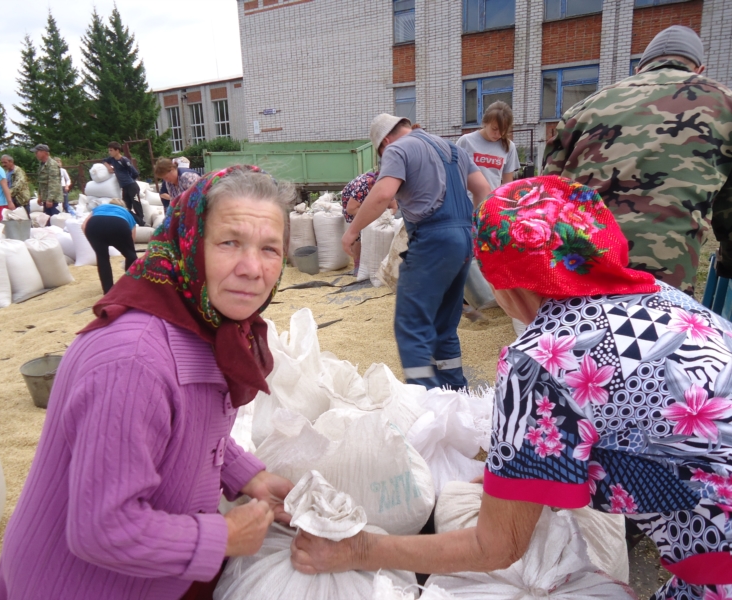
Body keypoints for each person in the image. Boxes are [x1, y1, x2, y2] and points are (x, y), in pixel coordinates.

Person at [293, 176, 732, 600]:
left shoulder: (539, 361)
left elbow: (497, 546)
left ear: (506, 280)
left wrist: (359, 549)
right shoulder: (664, 297)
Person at [0, 165, 296, 600]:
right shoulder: (132, 361)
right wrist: (223, 536)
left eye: (269, 248)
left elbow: (184, 431)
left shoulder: (202, 320)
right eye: (230, 242)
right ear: (189, 244)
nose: (253, 268)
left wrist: (249, 477)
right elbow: (103, 529)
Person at [542, 25, 732, 297]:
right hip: (664, 274)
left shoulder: (584, 108)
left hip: (580, 266)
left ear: (638, 69)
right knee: (652, 339)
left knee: (580, 337)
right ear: (699, 69)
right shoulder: (724, 104)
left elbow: (547, 193)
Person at [341, 114, 490, 390]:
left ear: (385, 142)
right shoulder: (453, 148)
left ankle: (426, 399)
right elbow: (483, 189)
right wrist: (474, 231)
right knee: (444, 327)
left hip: (433, 241)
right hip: (463, 241)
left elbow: (384, 193)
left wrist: (352, 232)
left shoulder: (398, 148)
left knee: (412, 326)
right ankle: (455, 393)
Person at [340, 171, 398, 275]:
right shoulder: (361, 187)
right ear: (372, 186)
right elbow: (351, 209)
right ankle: (358, 265)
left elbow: (394, 207)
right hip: (352, 203)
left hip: (373, 208)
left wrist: (386, 214)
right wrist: (373, 214)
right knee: (357, 234)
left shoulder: (387, 189)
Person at [456, 100, 520, 192]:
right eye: (494, 129)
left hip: (491, 204)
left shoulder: (509, 147)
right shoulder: (466, 141)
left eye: (503, 130)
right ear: (485, 123)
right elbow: (454, 174)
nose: (498, 134)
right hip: (468, 203)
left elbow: (507, 185)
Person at [82, 199, 139, 294]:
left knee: (102, 259)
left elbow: (83, 226)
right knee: (131, 256)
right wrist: (128, 251)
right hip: (118, 225)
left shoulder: (99, 208)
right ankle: (129, 285)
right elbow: (132, 236)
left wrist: (93, 241)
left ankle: (108, 291)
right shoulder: (125, 212)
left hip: (94, 226)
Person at [104, 142, 144, 225]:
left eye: (111, 150)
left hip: (132, 186)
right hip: (124, 188)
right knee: (125, 207)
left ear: (117, 150)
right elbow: (104, 161)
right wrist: (109, 168)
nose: (109, 152)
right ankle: (131, 221)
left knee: (136, 205)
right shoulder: (112, 159)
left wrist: (129, 181)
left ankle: (141, 222)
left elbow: (135, 173)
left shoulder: (124, 160)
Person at [34, 143, 63, 220]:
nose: (35, 154)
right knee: (47, 221)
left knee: (55, 221)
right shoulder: (42, 164)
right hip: (46, 198)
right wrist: (40, 196)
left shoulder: (52, 164)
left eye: (37, 152)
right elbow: (41, 182)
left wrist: (50, 199)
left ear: (44, 152)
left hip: (53, 200)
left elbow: (53, 183)